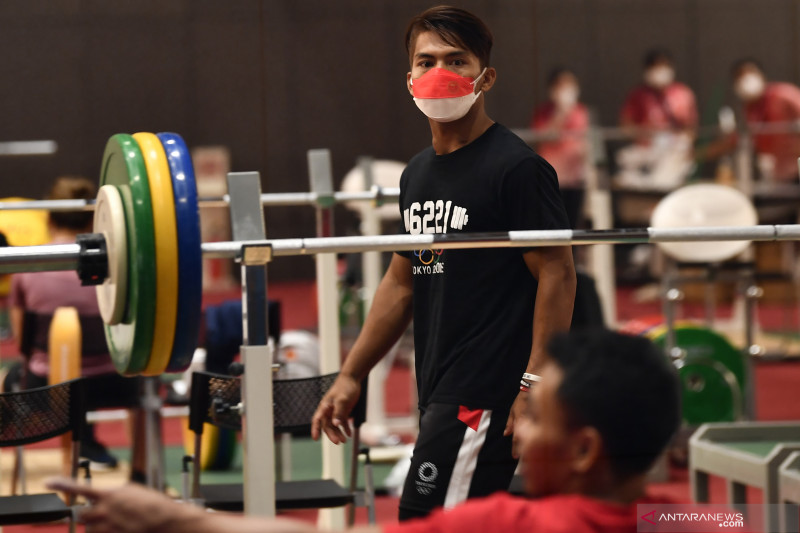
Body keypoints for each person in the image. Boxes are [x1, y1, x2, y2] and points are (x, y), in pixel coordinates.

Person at [311, 5, 576, 521]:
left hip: (484, 395)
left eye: (456, 61)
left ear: (486, 76)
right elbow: (402, 281)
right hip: (437, 385)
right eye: (426, 60)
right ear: (409, 77)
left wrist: (533, 387)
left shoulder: (517, 168)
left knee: (426, 522)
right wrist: (351, 374)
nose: (440, 74)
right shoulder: (417, 175)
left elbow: (557, 274)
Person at [49, 328, 682, 533]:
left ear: (584, 450)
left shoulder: (518, 523)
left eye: (535, 416)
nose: (515, 433)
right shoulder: (683, 517)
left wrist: (167, 516)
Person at [8, 176, 145, 477]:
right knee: (146, 381)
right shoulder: (121, 267)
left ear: (50, 217)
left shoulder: (25, 266)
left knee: (24, 371)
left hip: (46, 388)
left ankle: (82, 448)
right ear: (94, 218)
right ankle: (141, 473)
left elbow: (23, 344)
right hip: (116, 382)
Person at [616, 48, 698, 190]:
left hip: (674, 153)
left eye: (664, 66)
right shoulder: (637, 95)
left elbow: (691, 129)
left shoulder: (683, 93)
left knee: (665, 182)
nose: (660, 70)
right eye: (655, 66)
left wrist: (682, 141)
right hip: (645, 153)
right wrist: (646, 133)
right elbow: (625, 127)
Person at [531, 67, 590, 229]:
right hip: (552, 180)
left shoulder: (581, 112)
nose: (566, 90)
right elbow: (544, 137)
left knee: (573, 225)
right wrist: (560, 114)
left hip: (575, 180)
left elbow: (585, 143)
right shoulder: (544, 113)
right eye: (561, 86)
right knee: (552, 225)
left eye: (569, 85)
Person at [730, 57, 800, 183]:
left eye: (750, 73)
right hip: (780, 176)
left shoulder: (785, 94)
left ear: (761, 75)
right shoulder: (749, 110)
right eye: (740, 76)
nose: (746, 79)